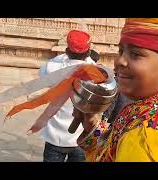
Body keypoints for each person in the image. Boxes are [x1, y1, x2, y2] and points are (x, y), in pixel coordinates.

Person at [75, 18, 158, 162]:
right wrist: (91, 124)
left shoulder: (146, 134)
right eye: (121, 51)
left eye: (136, 54)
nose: (119, 61)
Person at [39, 30, 96, 162]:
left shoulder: (52, 67)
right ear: (88, 52)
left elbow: (43, 74)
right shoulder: (93, 71)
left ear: (67, 50)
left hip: (54, 136)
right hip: (80, 136)